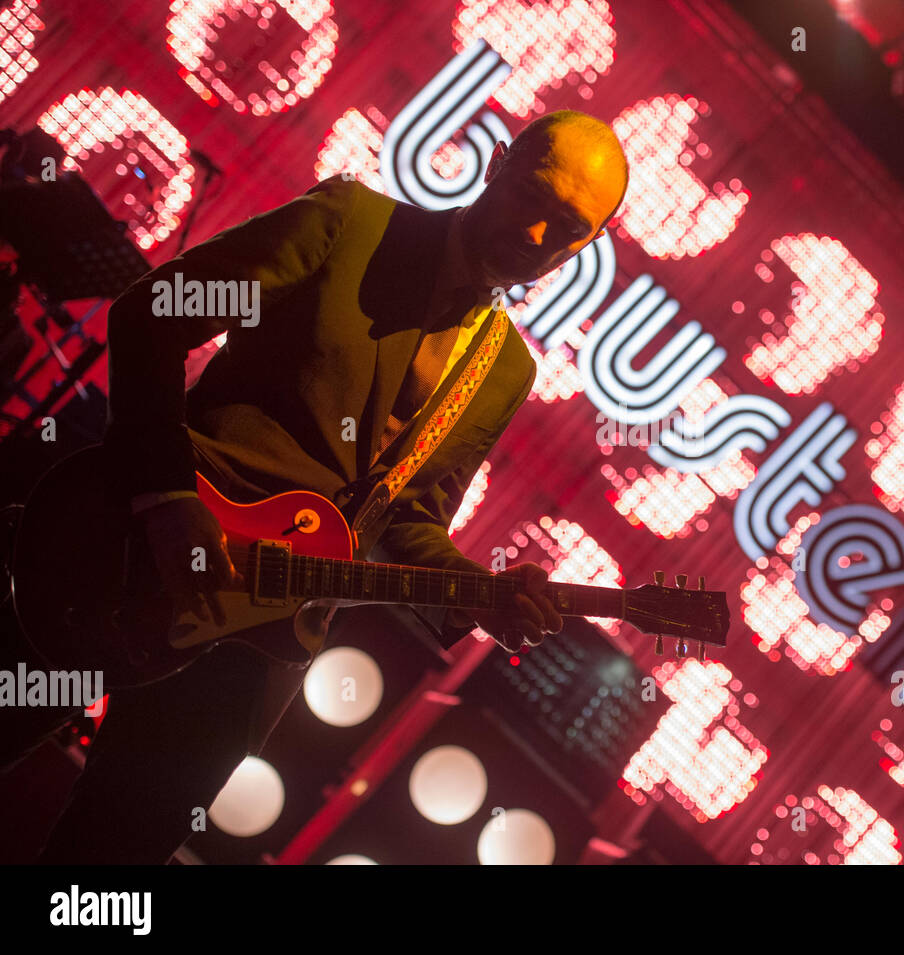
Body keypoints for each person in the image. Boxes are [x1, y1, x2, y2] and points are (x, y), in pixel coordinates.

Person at [5, 108, 629, 863]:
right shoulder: (352, 224)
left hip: (260, 638)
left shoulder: (504, 371)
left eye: (566, 229)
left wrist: (480, 588)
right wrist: (166, 497)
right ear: (495, 163)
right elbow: (153, 313)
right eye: (533, 196)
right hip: (130, 550)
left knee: (110, 865)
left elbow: (408, 524)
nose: (537, 236)